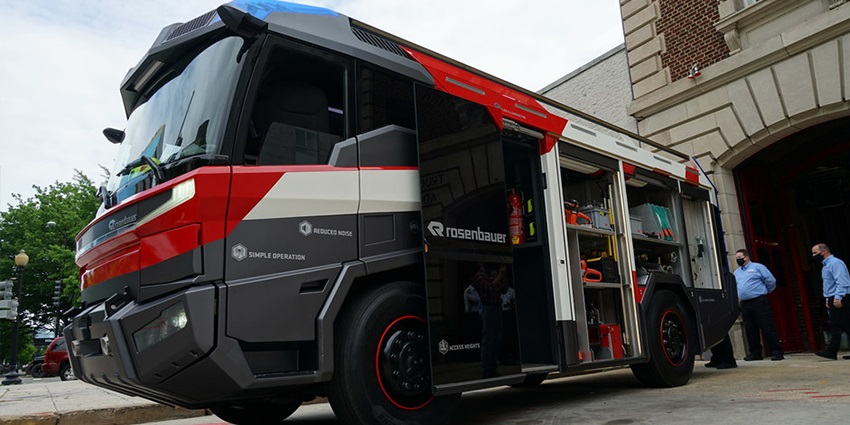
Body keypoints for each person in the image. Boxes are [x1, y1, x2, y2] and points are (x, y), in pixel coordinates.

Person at [733, 249, 784, 361]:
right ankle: (755, 353)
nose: (738, 260)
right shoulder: (737, 272)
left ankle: (776, 351)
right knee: (750, 329)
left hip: (759, 301)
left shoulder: (758, 267)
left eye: (740, 257)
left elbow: (771, 281)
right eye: (736, 258)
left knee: (767, 326)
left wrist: (765, 292)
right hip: (745, 303)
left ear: (746, 257)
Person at [811, 243, 850, 360]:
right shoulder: (826, 265)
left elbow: (842, 280)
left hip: (840, 297)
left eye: (815, 253)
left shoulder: (834, 263)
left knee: (836, 325)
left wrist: (838, 297)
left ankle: (832, 351)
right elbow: (829, 284)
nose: (813, 256)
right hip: (834, 297)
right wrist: (828, 298)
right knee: (846, 325)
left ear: (823, 251)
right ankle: (831, 351)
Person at [472, 263, 508, 378]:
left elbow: (504, 289)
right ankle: (487, 368)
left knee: (497, 338)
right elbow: (488, 288)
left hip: (497, 306)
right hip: (487, 307)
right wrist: (499, 276)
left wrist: (504, 276)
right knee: (488, 339)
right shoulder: (479, 276)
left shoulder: (493, 273)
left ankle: (493, 366)